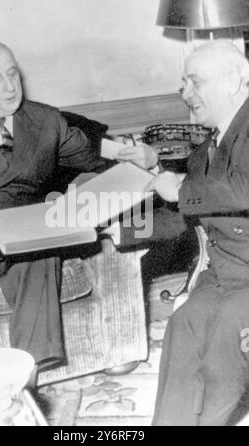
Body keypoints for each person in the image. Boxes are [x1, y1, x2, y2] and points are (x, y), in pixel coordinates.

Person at [0, 41, 156, 372]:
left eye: (13, 74)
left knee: (43, 248)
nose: (9, 86)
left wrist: (133, 153)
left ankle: (30, 369)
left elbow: (89, 149)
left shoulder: (44, 120)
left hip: (19, 237)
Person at [145, 40, 249, 426]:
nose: (187, 94)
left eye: (196, 82)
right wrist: (111, 227)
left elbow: (243, 189)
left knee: (225, 340)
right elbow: (191, 213)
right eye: (183, 84)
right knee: (184, 323)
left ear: (236, 81)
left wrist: (182, 189)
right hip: (226, 276)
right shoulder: (206, 147)